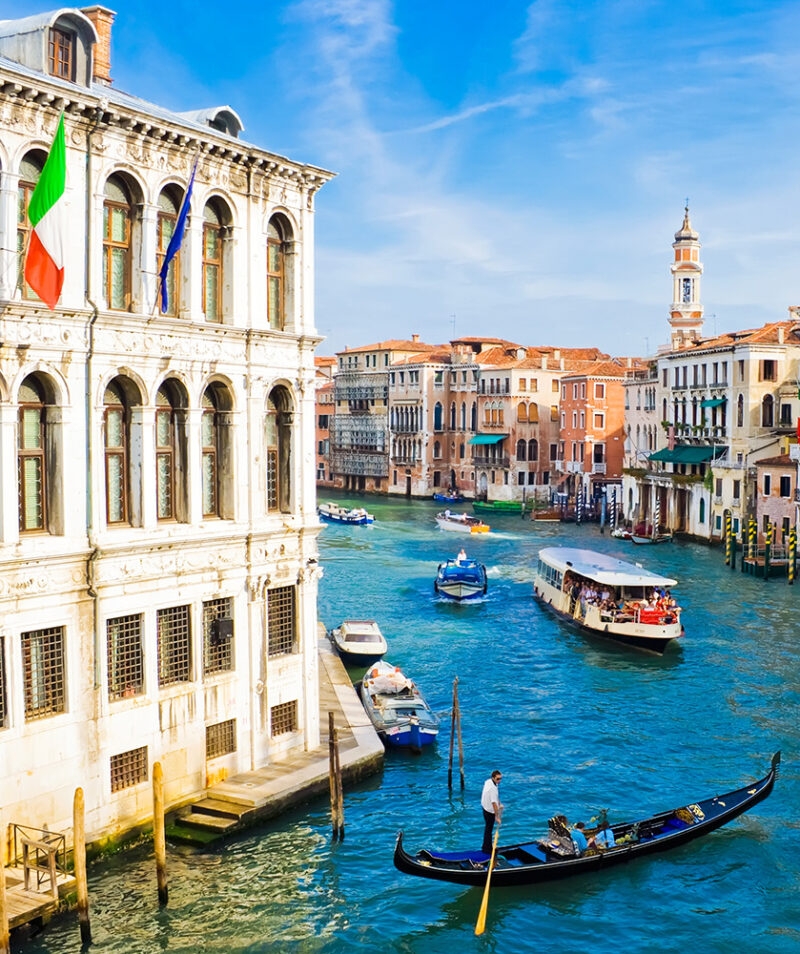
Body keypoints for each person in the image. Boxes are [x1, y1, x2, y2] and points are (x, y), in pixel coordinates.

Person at [481, 770, 503, 853]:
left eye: (500, 779)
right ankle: (487, 849)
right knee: (489, 830)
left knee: (488, 829)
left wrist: (499, 803)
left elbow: (495, 798)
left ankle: (487, 847)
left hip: (484, 807)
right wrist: (497, 817)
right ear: (493, 778)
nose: (499, 781)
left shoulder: (489, 782)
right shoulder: (492, 788)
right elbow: (494, 803)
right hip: (489, 811)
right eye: (498, 779)